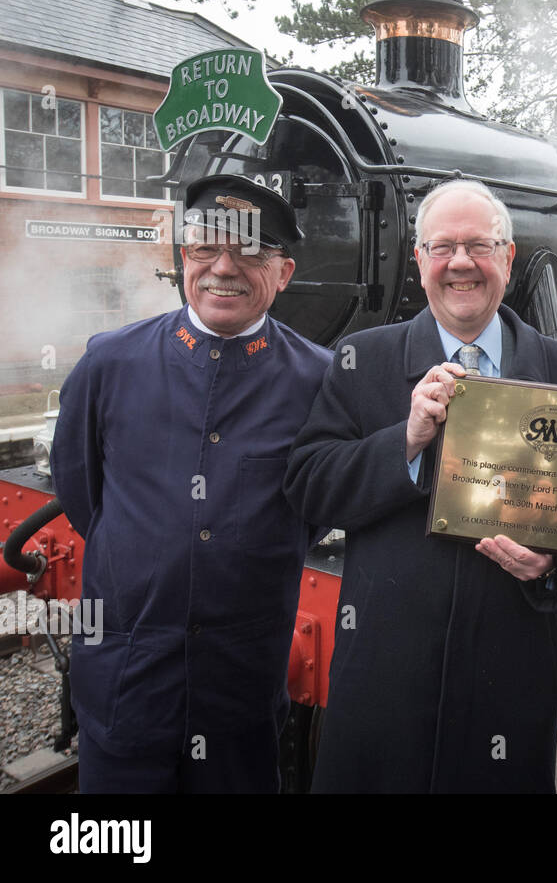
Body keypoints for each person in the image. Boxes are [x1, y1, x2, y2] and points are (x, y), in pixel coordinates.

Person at [284, 180, 557, 792]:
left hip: (513, 676)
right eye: (443, 247)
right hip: (385, 673)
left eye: (479, 246)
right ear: (420, 259)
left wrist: (554, 566)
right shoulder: (361, 360)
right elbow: (310, 489)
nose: (461, 263)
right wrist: (407, 437)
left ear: (507, 258)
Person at [52, 175, 332, 792]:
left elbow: (311, 509)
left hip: (240, 692)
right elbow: (81, 494)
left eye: (250, 252)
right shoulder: (110, 362)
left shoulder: (320, 381)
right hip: (126, 681)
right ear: (184, 257)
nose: (222, 268)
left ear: (283, 273)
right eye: (205, 246)